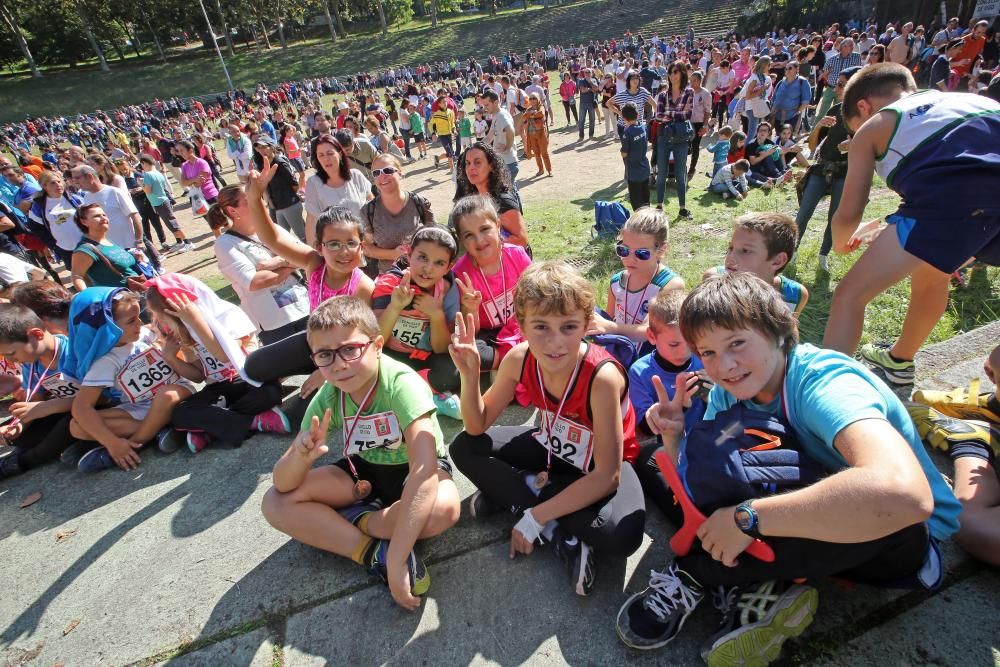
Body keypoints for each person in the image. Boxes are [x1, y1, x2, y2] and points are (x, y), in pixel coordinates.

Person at [615, 272, 960, 662]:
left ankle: (701, 574)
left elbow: (904, 498)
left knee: (740, 499)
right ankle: (762, 589)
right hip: (807, 509)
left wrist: (747, 519)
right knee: (653, 458)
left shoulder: (823, 382)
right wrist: (675, 436)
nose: (724, 365)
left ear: (777, 331)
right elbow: (697, 486)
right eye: (708, 352)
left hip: (896, 541)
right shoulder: (731, 394)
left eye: (737, 343)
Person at [448, 261, 646, 596]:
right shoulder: (519, 358)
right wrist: (469, 376)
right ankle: (562, 532)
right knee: (464, 446)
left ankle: (521, 495)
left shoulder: (602, 377)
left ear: (587, 325)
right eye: (541, 327)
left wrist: (533, 516)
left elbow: (608, 475)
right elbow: (477, 424)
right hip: (552, 445)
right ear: (521, 325)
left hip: (600, 462)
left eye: (569, 327)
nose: (555, 343)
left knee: (622, 534)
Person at [260, 295, 460, 610]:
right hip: (362, 470)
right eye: (325, 354)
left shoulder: (401, 385)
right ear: (315, 360)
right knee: (275, 503)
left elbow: (424, 471)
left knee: (443, 511)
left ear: (377, 345)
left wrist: (399, 560)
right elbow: (282, 484)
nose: (339, 364)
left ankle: (364, 522)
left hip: (418, 470)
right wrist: (299, 455)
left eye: (351, 349)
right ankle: (370, 550)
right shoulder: (329, 396)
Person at [824, 63, 1000, 385]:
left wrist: (839, 244)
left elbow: (849, 213)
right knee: (933, 273)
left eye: (855, 127)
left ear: (864, 107)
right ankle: (899, 361)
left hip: (954, 200)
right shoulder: (973, 100)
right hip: (973, 201)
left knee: (849, 296)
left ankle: (822, 397)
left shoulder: (875, 125)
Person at [143, 274, 289, 454]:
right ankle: (252, 421)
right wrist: (172, 357)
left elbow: (224, 356)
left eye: (159, 315)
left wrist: (195, 321)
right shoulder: (183, 331)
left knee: (269, 393)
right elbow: (199, 375)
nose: (158, 321)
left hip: (248, 381)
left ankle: (211, 427)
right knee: (180, 413)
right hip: (219, 390)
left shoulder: (227, 314)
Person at [66, 288, 195, 473]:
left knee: (165, 395)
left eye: (138, 316)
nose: (140, 323)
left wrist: (115, 447)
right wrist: (110, 441)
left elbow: (178, 336)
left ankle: (134, 446)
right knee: (76, 426)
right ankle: (159, 431)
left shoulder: (145, 334)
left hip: (176, 393)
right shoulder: (106, 361)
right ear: (108, 327)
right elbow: (81, 407)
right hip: (140, 408)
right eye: (131, 321)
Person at [627, 288, 707, 523]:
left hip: (703, 441)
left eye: (690, 342)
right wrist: (669, 413)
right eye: (674, 344)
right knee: (650, 462)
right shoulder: (641, 372)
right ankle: (686, 514)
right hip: (666, 447)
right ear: (652, 337)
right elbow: (645, 427)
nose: (684, 351)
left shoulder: (704, 360)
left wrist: (715, 395)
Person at [371, 226, 462, 411]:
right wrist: (395, 306)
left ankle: (404, 394)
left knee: (455, 371)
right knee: (369, 369)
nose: (428, 269)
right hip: (391, 356)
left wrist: (436, 315)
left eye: (439, 263)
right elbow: (375, 339)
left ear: (449, 267)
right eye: (422, 257)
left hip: (426, 358)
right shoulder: (390, 283)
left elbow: (441, 349)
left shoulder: (446, 290)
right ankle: (428, 396)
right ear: (409, 253)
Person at [208, 185, 310, 346]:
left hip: (307, 308)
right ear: (233, 211)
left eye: (259, 198)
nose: (260, 203)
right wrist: (289, 261)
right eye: (250, 200)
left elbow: (307, 256)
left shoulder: (273, 229)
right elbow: (255, 282)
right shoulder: (225, 244)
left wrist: (275, 263)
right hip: (275, 325)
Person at [450, 195, 531, 372]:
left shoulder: (517, 254)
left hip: (524, 323)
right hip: (490, 336)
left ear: (498, 226)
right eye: (469, 235)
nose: (479, 241)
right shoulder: (460, 273)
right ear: (462, 241)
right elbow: (471, 330)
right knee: (468, 349)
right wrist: (470, 307)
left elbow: (536, 297)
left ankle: (512, 362)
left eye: (485, 229)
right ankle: (518, 362)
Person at [0, 304, 79, 478]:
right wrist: (18, 426)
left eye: (12, 353)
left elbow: (101, 398)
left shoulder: (73, 353)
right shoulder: (31, 362)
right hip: (61, 408)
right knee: (19, 434)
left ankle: (25, 461)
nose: (10, 360)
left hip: (89, 409)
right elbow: (34, 400)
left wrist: (46, 407)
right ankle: (69, 445)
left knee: (70, 423)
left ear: (37, 335)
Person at [592, 208, 684, 344]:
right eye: (623, 250)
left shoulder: (670, 285)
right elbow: (608, 319)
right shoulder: (617, 281)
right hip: (621, 351)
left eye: (641, 253)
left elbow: (648, 332)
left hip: (649, 359)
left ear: (662, 249)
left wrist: (609, 327)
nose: (630, 259)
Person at [703, 212, 809, 316]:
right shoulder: (713, 279)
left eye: (745, 251)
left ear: (778, 261)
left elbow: (789, 331)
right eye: (731, 248)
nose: (730, 259)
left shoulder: (795, 295)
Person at [361, 154, 436, 274]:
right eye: (376, 173)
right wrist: (394, 254)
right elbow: (366, 248)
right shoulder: (368, 211)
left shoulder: (419, 203)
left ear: (400, 173)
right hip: (390, 279)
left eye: (388, 170)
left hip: (424, 274)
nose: (382, 176)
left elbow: (435, 238)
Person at [454, 142, 529, 247]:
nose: (471, 168)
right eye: (468, 163)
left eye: (477, 162)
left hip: (511, 260)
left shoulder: (503, 201)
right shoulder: (472, 197)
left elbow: (521, 240)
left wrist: (485, 248)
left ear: (491, 166)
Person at [303, 134, 372, 245]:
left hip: (366, 244)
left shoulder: (356, 176)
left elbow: (372, 207)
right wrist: (313, 251)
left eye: (330, 153)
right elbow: (311, 220)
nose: (326, 159)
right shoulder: (313, 183)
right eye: (321, 155)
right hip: (337, 249)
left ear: (340, 154)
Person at [69, 204, 146, 293]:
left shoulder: (106, 240)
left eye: (104, 215)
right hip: (119, 300)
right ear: (84, 222)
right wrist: (90, 298)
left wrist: (136, 259)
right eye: (96, 216)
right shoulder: (85, 249)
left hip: (137, 292)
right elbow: (77, 277)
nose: (103, 218)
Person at [653, 63, 694, 218]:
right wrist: (676, 114)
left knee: (680, 174)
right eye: (670, 72)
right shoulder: (663, 95)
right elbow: (658, 116)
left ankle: (682, 208)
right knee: (661, 173)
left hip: (681, 138)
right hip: (663, 137)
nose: (672, 75)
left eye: (675, 72)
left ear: (682, 73)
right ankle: (659, 207)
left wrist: (669, 115)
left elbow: (687, 115)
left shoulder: (689, 92)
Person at [252, 135, 306, 242]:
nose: (261, 150)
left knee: (303, 236)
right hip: (278, 207)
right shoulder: (265, 165)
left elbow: (294, 184)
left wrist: (293, 197)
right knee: (282, 237)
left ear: (272, 147)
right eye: (258, 148)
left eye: (264, 147)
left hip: (289, 205)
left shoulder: (280, 163)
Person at [27, 170, 83, 267]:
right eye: (53, 183)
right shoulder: (39, 206)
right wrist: (53, 245)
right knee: (80, 275)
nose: (58, 185)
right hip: (66, 248)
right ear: (44, 186)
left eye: (59, 181)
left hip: (86, 242)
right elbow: (36, 228)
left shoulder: (74, 198)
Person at [140, 156, 192, 252]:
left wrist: (141, 184)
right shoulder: (158, 173)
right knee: (170, 224)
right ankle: (180, 242)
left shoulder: (147, 175)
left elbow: (148, 190)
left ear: (144, 163)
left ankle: (188, 242)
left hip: (160, 203)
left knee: (173, 224)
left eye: (141, 164)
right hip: (162, 201)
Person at [481, 90, 520, 184]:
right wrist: (475, 147)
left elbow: (510, 130)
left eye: (487, 105)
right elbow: (489, 137)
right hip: (504, 163)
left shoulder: (501, 115)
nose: (485, 108)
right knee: (511, 193)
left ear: (496, 102)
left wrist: (507, 148)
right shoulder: (496, 116)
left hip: (508, 163)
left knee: (507, 194)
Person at [620, 104, 651, 211]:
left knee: (636, 203)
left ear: (624, 118)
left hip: (634, 173)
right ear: (637, 115)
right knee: (646, 198)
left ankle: (640, 224)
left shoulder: (627, 132)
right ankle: (648, 220)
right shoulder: (643, 127)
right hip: (645, 169)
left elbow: (624, 152)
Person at [608, 72, 655, 139]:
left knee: (638, 147)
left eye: (637, 78)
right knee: (627, 148)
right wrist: (619, 112)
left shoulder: (643, 92)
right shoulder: (622, 94)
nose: (635, 80)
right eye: (632, 79)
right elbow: (608, 103)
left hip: (638, 127)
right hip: (624, 127)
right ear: (628, 81)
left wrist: (657, 118)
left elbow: (654, 104)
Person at [177, 139, 220, 206]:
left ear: (190, 150)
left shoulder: (202, 163)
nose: (180, 153)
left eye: (182, 150)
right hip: (198, 199)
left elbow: (199, 183)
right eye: (178, 151)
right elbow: (183, 183)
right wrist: (194, 179)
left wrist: (189, 183)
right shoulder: (184, 165)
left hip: (210, 197)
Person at [523, 93, 552, 178]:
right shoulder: (529, 109)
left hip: (541, 134)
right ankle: (541, 169)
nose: (532, 100)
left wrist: (531, 115)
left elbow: (541, 114)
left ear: (538, 99)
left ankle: (549, 170)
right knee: (536, 153)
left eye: (534, 98)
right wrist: (533, 114)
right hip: (531, 134)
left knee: (544, 153)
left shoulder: (541, 107)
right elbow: (524, 117)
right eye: (531, 98)